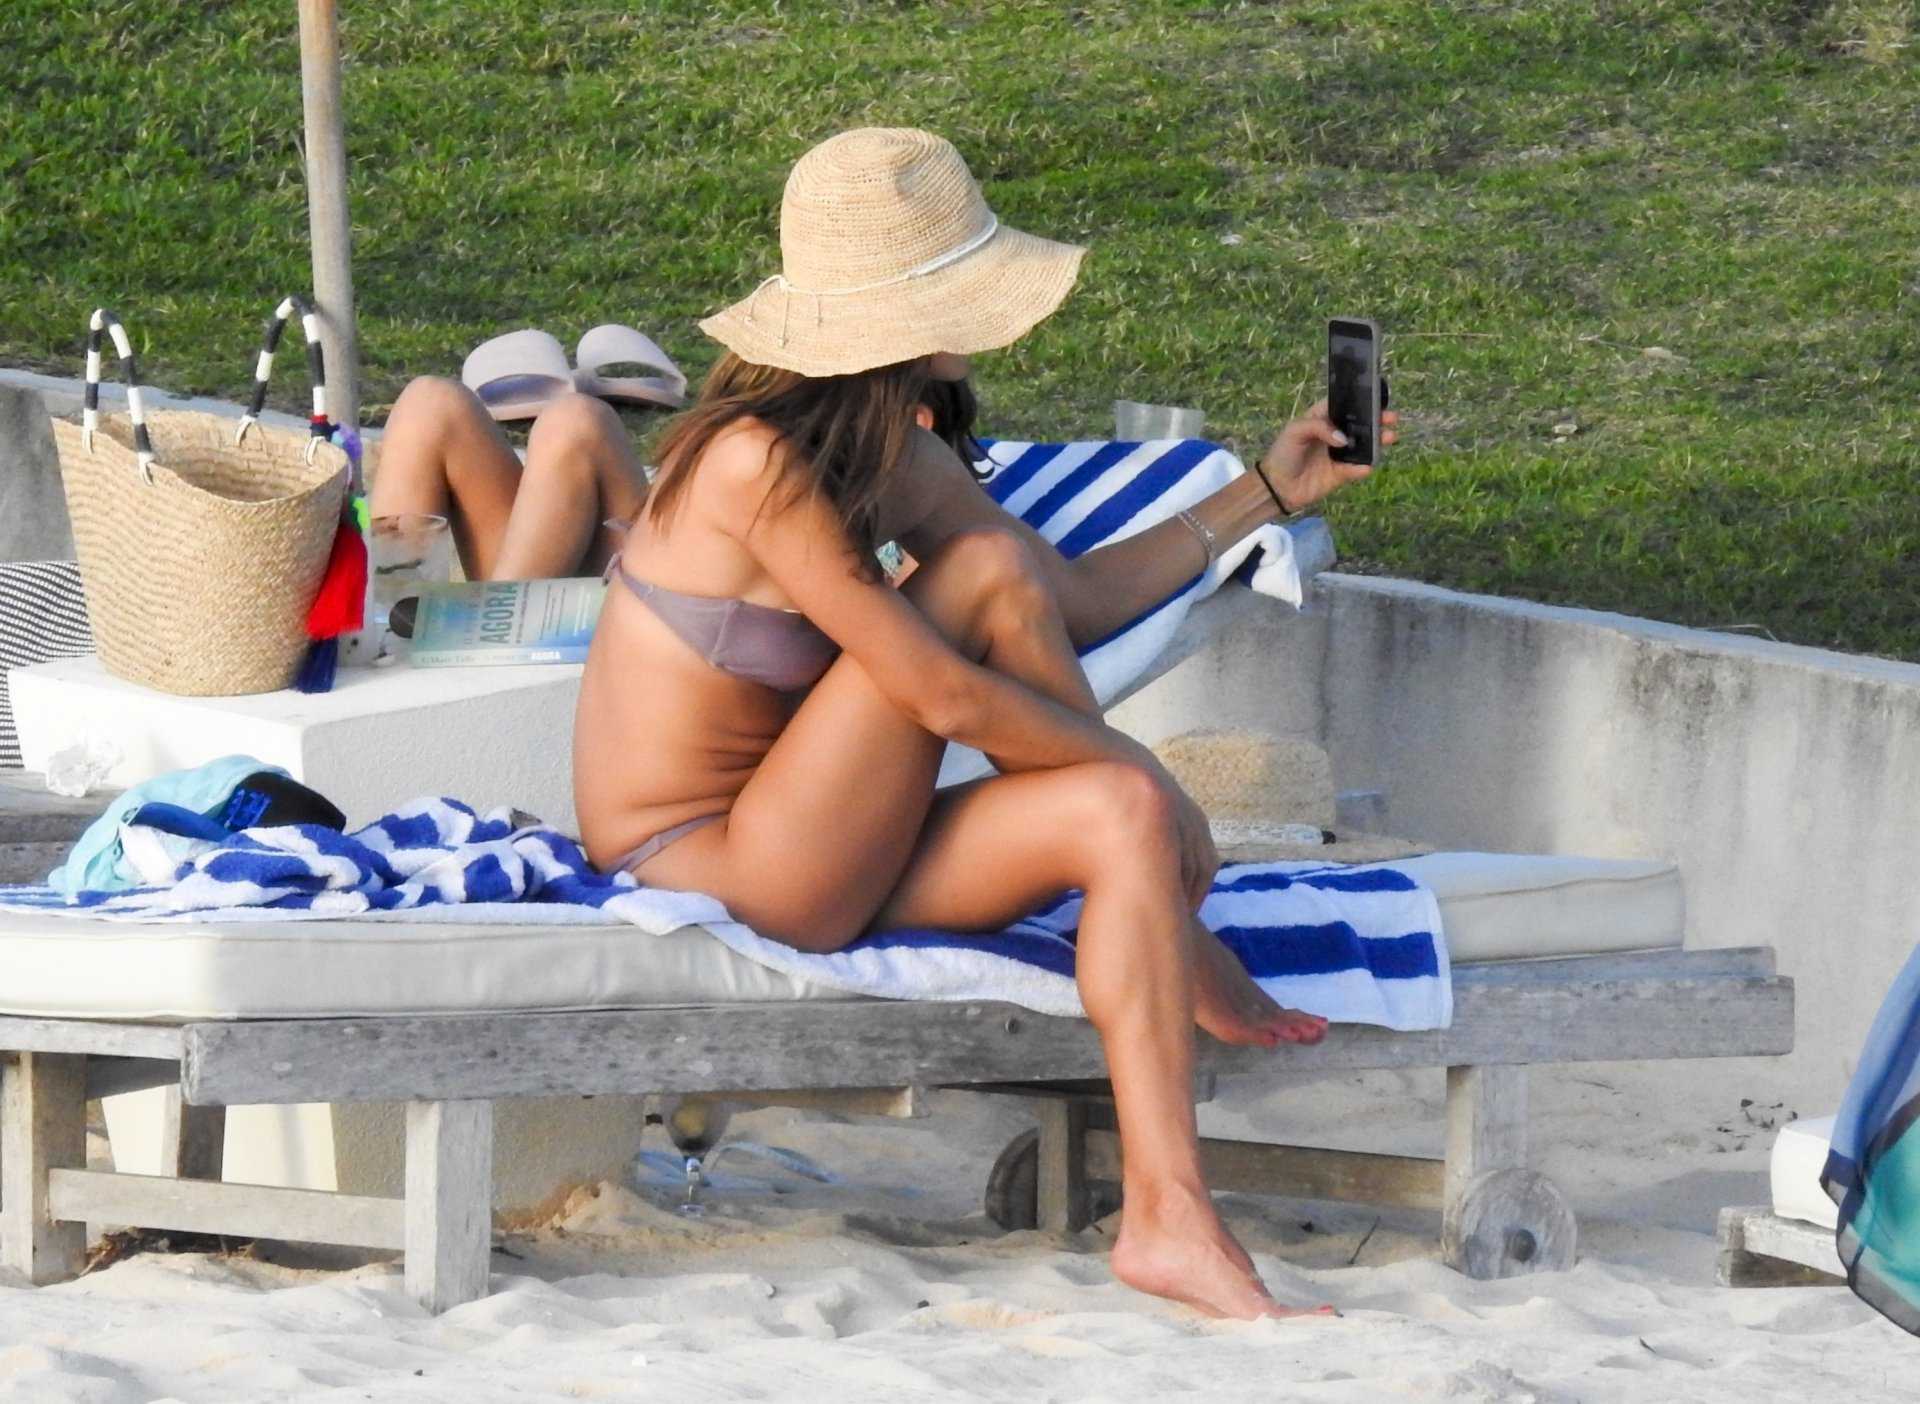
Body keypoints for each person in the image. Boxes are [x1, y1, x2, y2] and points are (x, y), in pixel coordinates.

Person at [574, 128, 1393, 1319]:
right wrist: (1157, 779)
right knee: (1016, 631)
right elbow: (940, 694)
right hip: (710, 861)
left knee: (1107, 801)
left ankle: (1169, 1218)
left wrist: (1269, 490)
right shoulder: (751, 461)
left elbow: (1075, 597)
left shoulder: (886, 448)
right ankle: (1178, 922)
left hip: (825, 842)